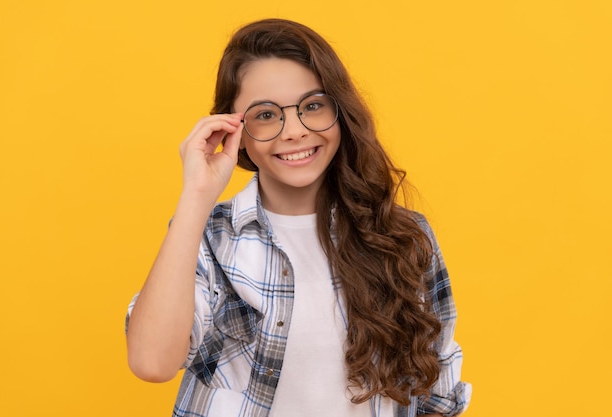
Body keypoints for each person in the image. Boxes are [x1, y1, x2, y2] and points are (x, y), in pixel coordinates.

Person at [126, 18, 471, 417]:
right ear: (232, 129)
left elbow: (436, 390)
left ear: (340, 112)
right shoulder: (210, 238)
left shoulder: (403, 236)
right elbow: (151, 363)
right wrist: (195, 197)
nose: (294, 131)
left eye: (312, 106)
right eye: (266, 114)